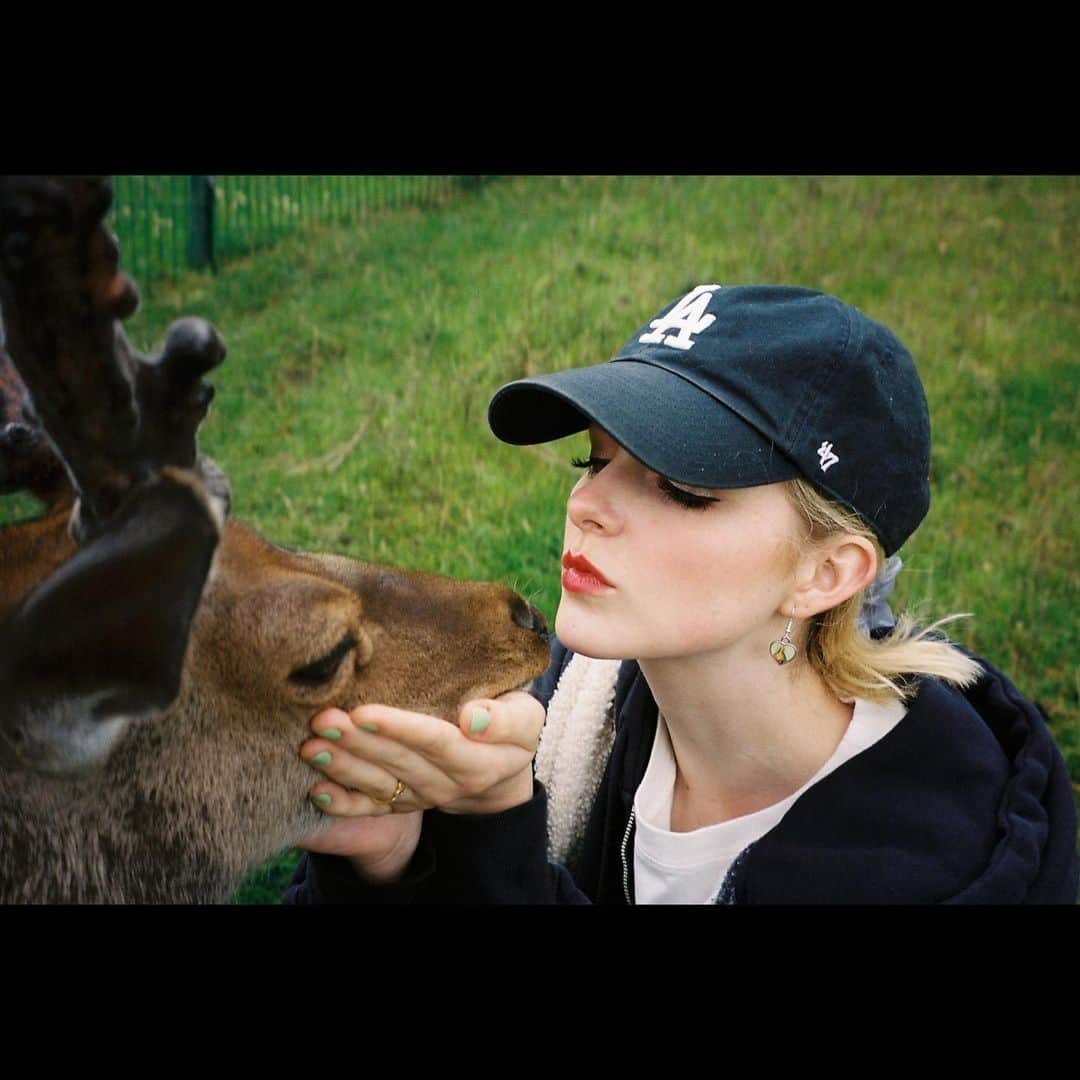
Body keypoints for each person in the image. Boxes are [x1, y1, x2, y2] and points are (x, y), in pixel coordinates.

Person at [284, 284, 1078, 904]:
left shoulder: (917, 869)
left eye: (682, 488)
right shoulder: (572, 700)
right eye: (593, 461)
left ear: (826, 574)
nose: (587, 507)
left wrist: (496, 830)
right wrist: (394, 863)